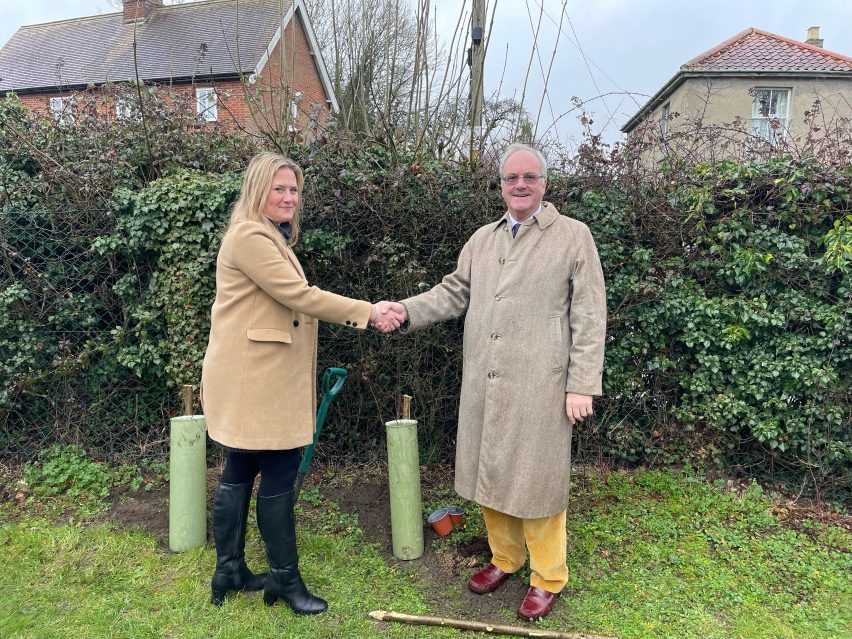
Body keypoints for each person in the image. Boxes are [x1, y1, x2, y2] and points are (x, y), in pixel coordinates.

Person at [388, 143, 606, 621]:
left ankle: (548, 576)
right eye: (512, 178)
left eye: (530, 177)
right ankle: (505, 558)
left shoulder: (573, 236)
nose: (521, 185)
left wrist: (582, 383)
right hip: (486, 381)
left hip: (542, 384)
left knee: (538, 482)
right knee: (492, 474)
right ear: (501, 186)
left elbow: (590, 314)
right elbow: (453, 292)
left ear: (545, 184)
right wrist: (406, 310)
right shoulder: (482, 239)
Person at [200, 152, 403, 615]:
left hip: (255, 375)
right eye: (280, 189)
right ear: (258, 191)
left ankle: (230, 570)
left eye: (294, 190)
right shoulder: (251, 236)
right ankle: (284, 584)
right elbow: (298, 296)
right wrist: (368, 312)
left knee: (241, 466)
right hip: (258, 379)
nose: (290, 197)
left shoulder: (265, 236)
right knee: (277, 469)